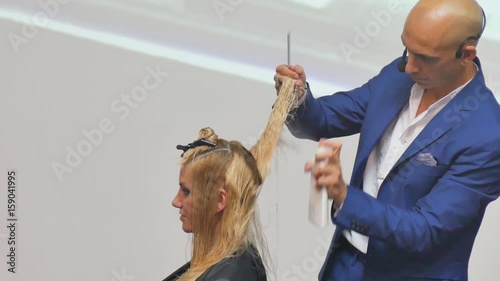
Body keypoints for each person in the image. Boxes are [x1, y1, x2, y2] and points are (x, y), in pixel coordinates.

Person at [274, 0, 500, 280]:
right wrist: (297, 99)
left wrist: (344, 196)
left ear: (465, 54)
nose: (409, 67)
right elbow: (324, 119)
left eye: (425, 57)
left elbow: (425, 230)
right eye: (407, 50)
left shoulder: (489, 135)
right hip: (344, 265)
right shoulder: (398, 75)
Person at [163, 79, 300, 280]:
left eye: (186, 191)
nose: (175, 201)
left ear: (220, 200)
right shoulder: (218, 265)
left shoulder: (234, 275)